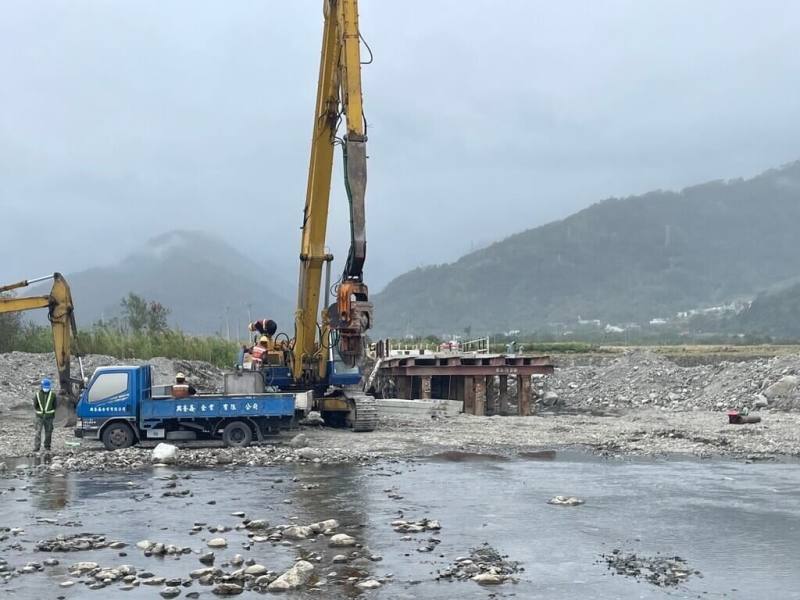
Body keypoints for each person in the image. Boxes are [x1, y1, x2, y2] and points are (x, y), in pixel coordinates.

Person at [33, 378, 57, 453]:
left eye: (47, 387)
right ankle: (37, 447)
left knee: (48, 432)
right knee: (38, 432)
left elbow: (55, 405)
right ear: (42, 386)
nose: (46, 389)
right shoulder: (37, 395)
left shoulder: (53, 395)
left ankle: (47, 446)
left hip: (49, 417)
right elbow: (35, 405)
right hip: (39, 417)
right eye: (45, 387)